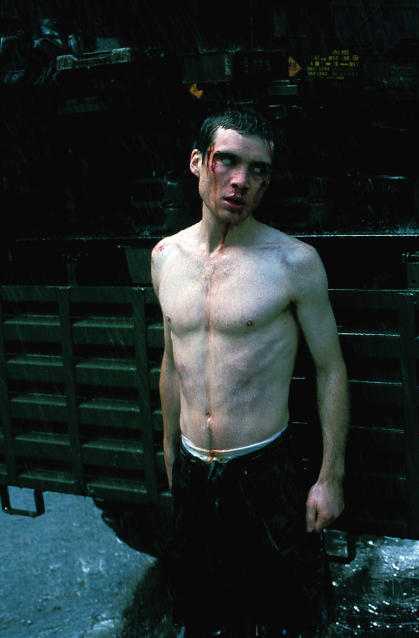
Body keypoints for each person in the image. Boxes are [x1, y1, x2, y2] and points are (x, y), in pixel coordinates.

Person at [151, 106, 349, 636]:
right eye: (227, 162)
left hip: (266, 474)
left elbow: (330, 368)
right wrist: (172, 453)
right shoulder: (166, 257)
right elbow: (173, 362)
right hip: (194, 470)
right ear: (198, 163)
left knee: (287, 619)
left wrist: (330, 477)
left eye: (257, 169)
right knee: (200, 616)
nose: (241, 180)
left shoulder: (293, 263)